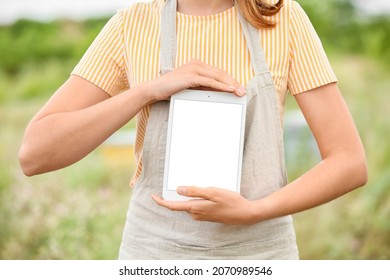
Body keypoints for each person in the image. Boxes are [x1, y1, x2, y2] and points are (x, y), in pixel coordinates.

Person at [19, 0, 367, 259]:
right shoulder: (131, 25)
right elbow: (35, 154)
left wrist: (254, 211)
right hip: (153, 253)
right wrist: (148, 90)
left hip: (261, 254)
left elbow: (348, 162)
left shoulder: (283, 18)